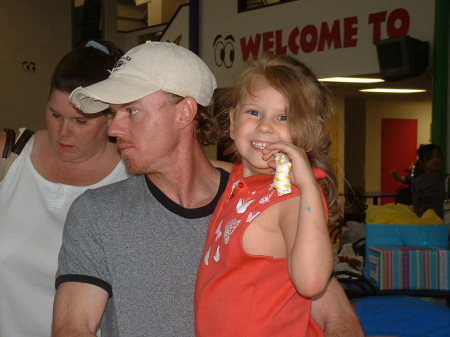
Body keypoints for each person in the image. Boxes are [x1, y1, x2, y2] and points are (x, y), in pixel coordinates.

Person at [53, 42, 363, 337]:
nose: (113, 129)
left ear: (185, 112)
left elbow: (336, 314)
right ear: (234, 121)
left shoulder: (263, 202)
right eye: (112, 113)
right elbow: (72, 325)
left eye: (131, 111)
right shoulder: (97, 212)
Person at [195, 53, 339, 336]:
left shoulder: (293, 198)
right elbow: (188, 165)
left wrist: (308, 186)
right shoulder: (242, 180)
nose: (265, 126)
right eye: (254, 112)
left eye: (283, 117)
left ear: (312, 133)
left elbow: (311, 283)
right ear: (233, 120)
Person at [0, 40, 130, 336]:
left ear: (112, 117)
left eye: (80, 121)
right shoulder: (10, 154)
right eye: (55, 115)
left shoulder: (135, 175)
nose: (63, 132)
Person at [411, 143, 447, 218]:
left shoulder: (447, 180)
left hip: (444, 223)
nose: (435, 160)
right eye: (430, 157)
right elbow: (416, 207)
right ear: (422, 162)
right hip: (424, 223)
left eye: (438, 156)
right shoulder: (417, 182)